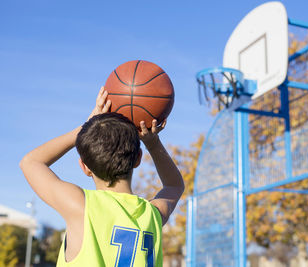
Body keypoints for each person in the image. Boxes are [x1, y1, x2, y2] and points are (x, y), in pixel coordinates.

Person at [19, 87, 184, 266]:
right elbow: (174, 185)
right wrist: (153, 143)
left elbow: (31, 162)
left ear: (84, 167)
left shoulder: (81, 206)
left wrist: (85, 127)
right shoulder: (152, 214)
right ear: (137, 159)